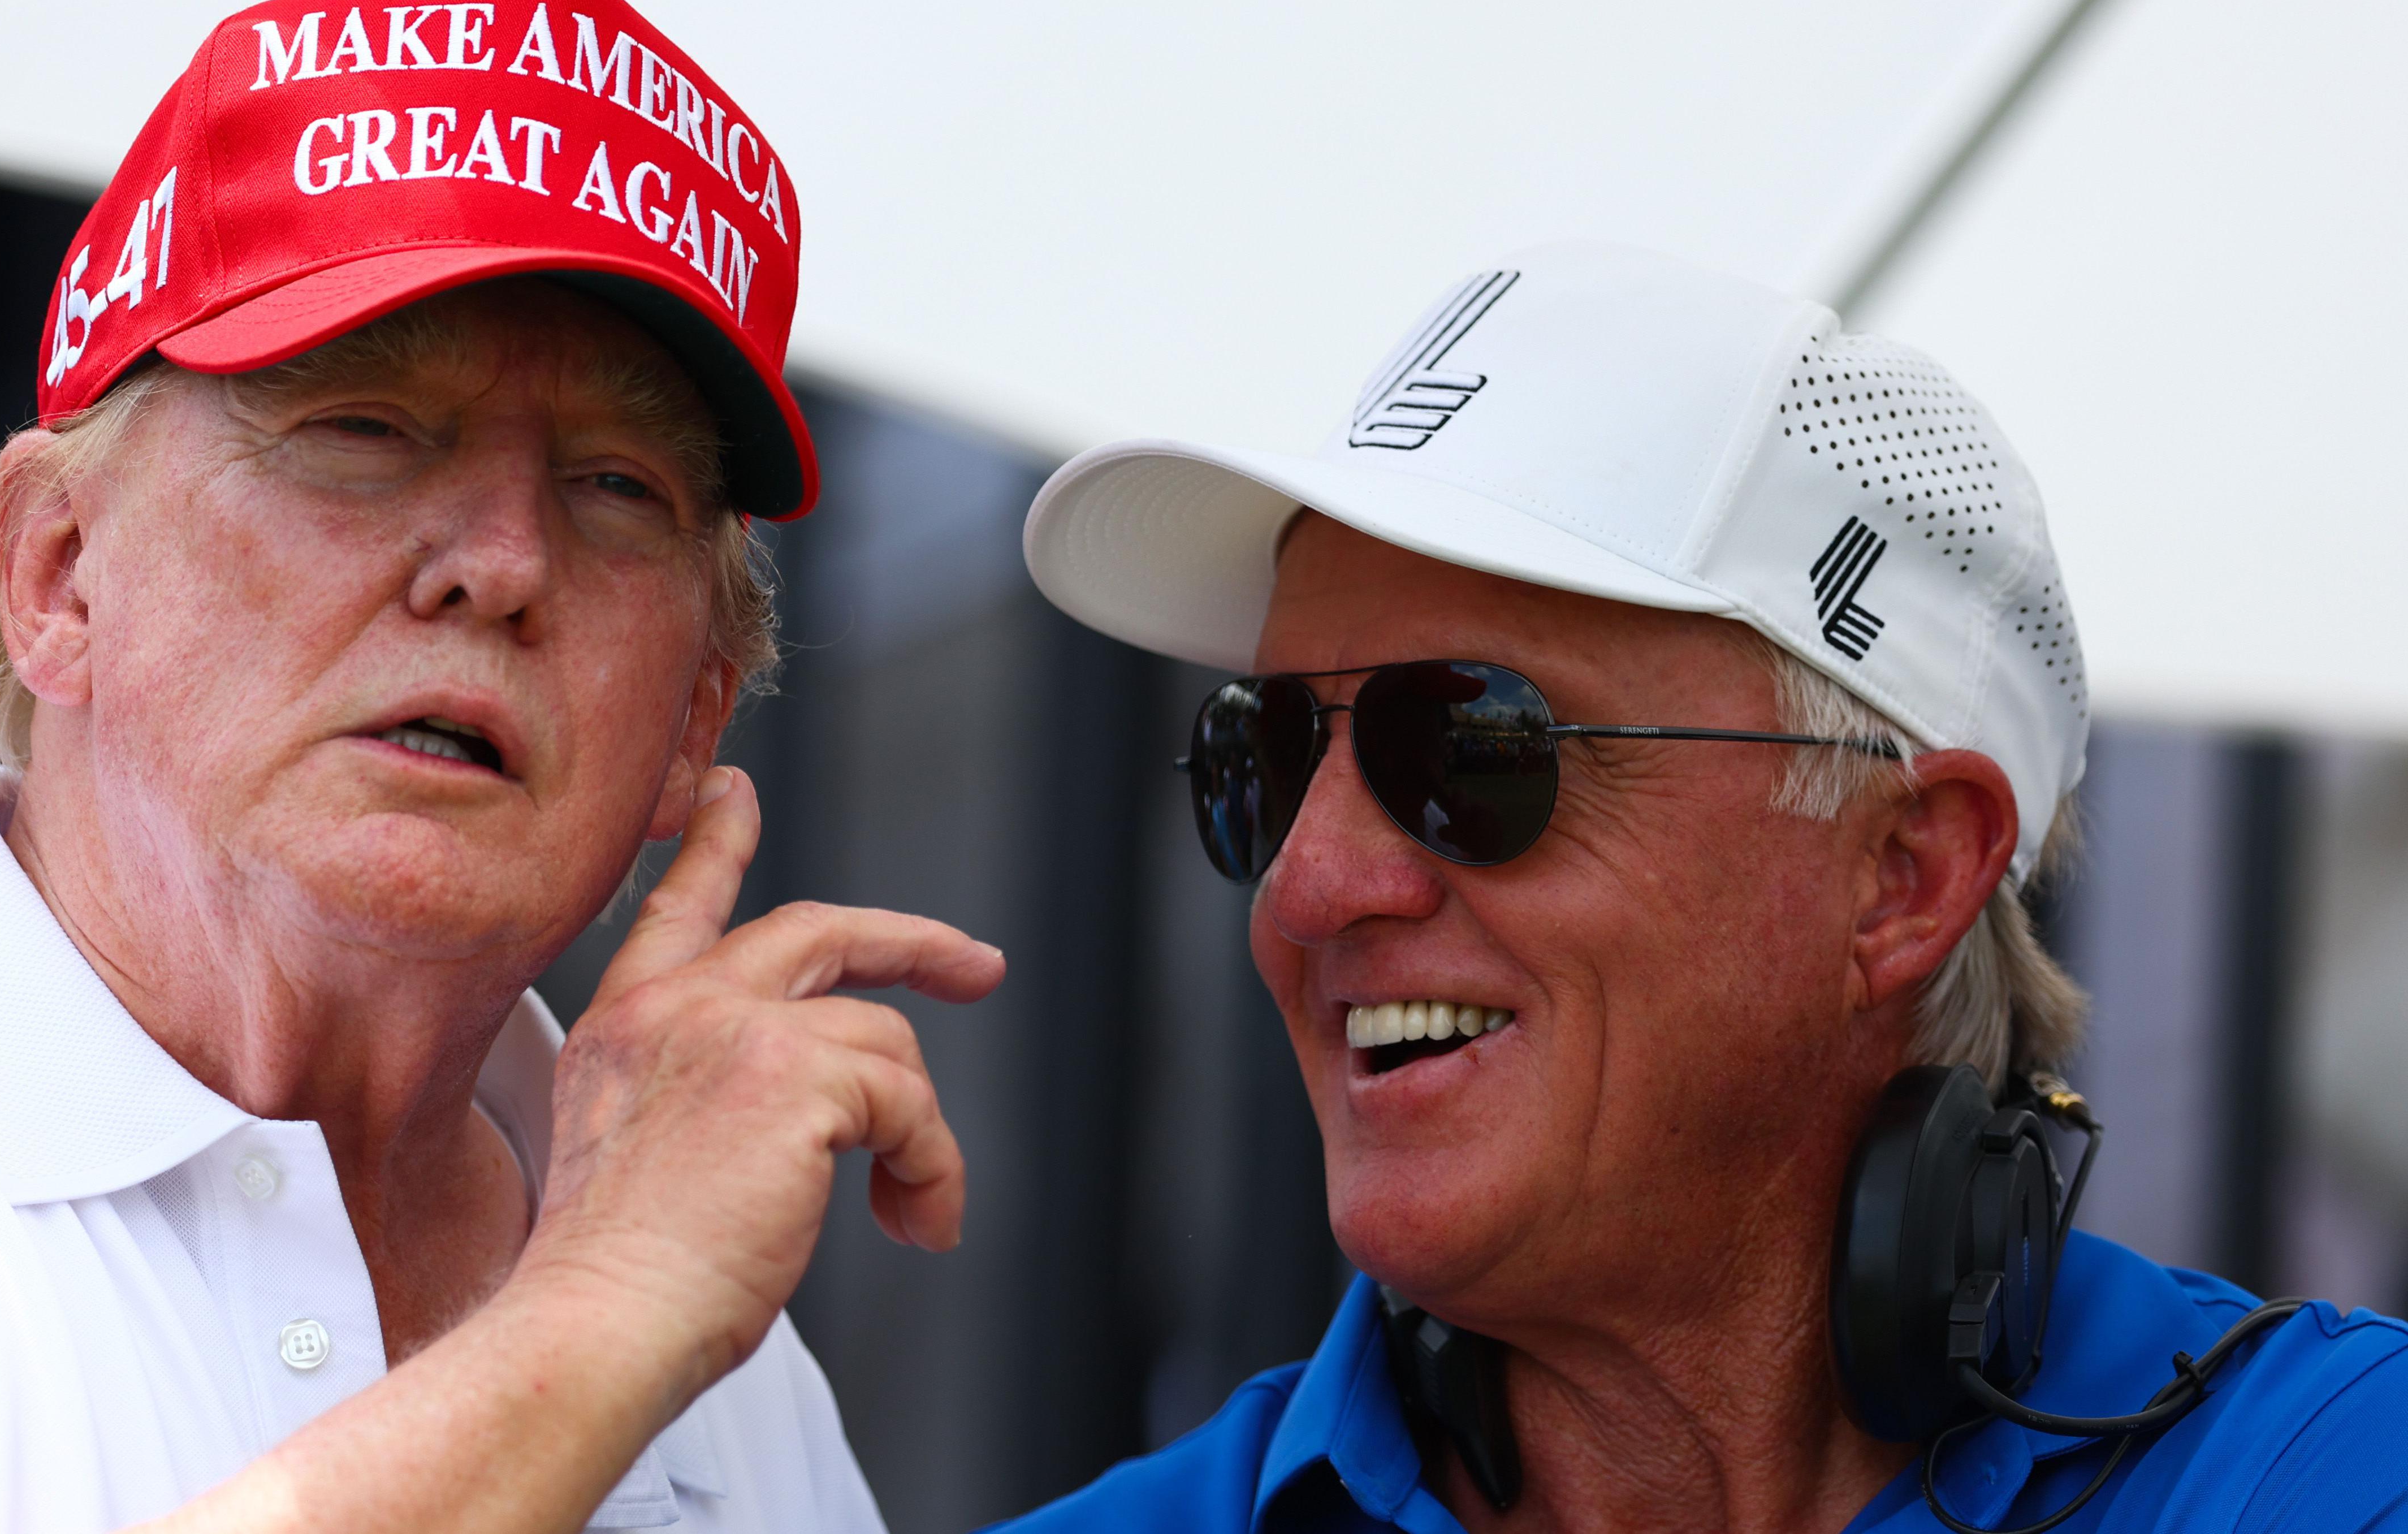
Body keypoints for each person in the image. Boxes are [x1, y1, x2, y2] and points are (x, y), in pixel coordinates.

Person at [0, 0, 1002, 1534]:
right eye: (364, 428)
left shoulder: (726, 1358)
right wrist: (600, 1316)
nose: (502, 561)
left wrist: (629, 1295)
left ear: (694, 718)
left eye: (615, 486)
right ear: (57, 570)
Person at [1001, 242, 2408, 1532]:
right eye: (1271, 750)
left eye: (1473, 748)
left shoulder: (2334, 1479)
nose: (1306, 884)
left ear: (1901, 880)